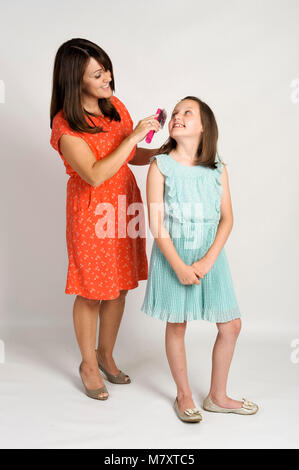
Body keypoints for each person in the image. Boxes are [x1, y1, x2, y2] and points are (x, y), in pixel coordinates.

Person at [50, 38, 161, 400]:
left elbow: (128, 156)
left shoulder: (114, 106)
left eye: (106, 68)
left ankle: (106, 355)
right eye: (97, 73)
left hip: (124, 207)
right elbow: (95, 174)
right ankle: (86, 362)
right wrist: (132, 137)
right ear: (74, 80)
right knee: (91, 290)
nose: (107, 77)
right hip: (91, 212)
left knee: (120, 285)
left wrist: (162, 151)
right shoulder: (65, 126)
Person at [141, 96, 259, 422]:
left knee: (231, 325)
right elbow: (155, 223)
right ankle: (184, 394)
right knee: (177, 324)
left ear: (204, 126)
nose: (177, 116)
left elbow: (227, 219)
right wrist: (178, 266)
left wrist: (208, 260)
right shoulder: (160, 165)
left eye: (186, 112)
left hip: (211, 254)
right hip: (174, 253)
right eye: (175, 113)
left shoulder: (217, 166)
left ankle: (217, 395)